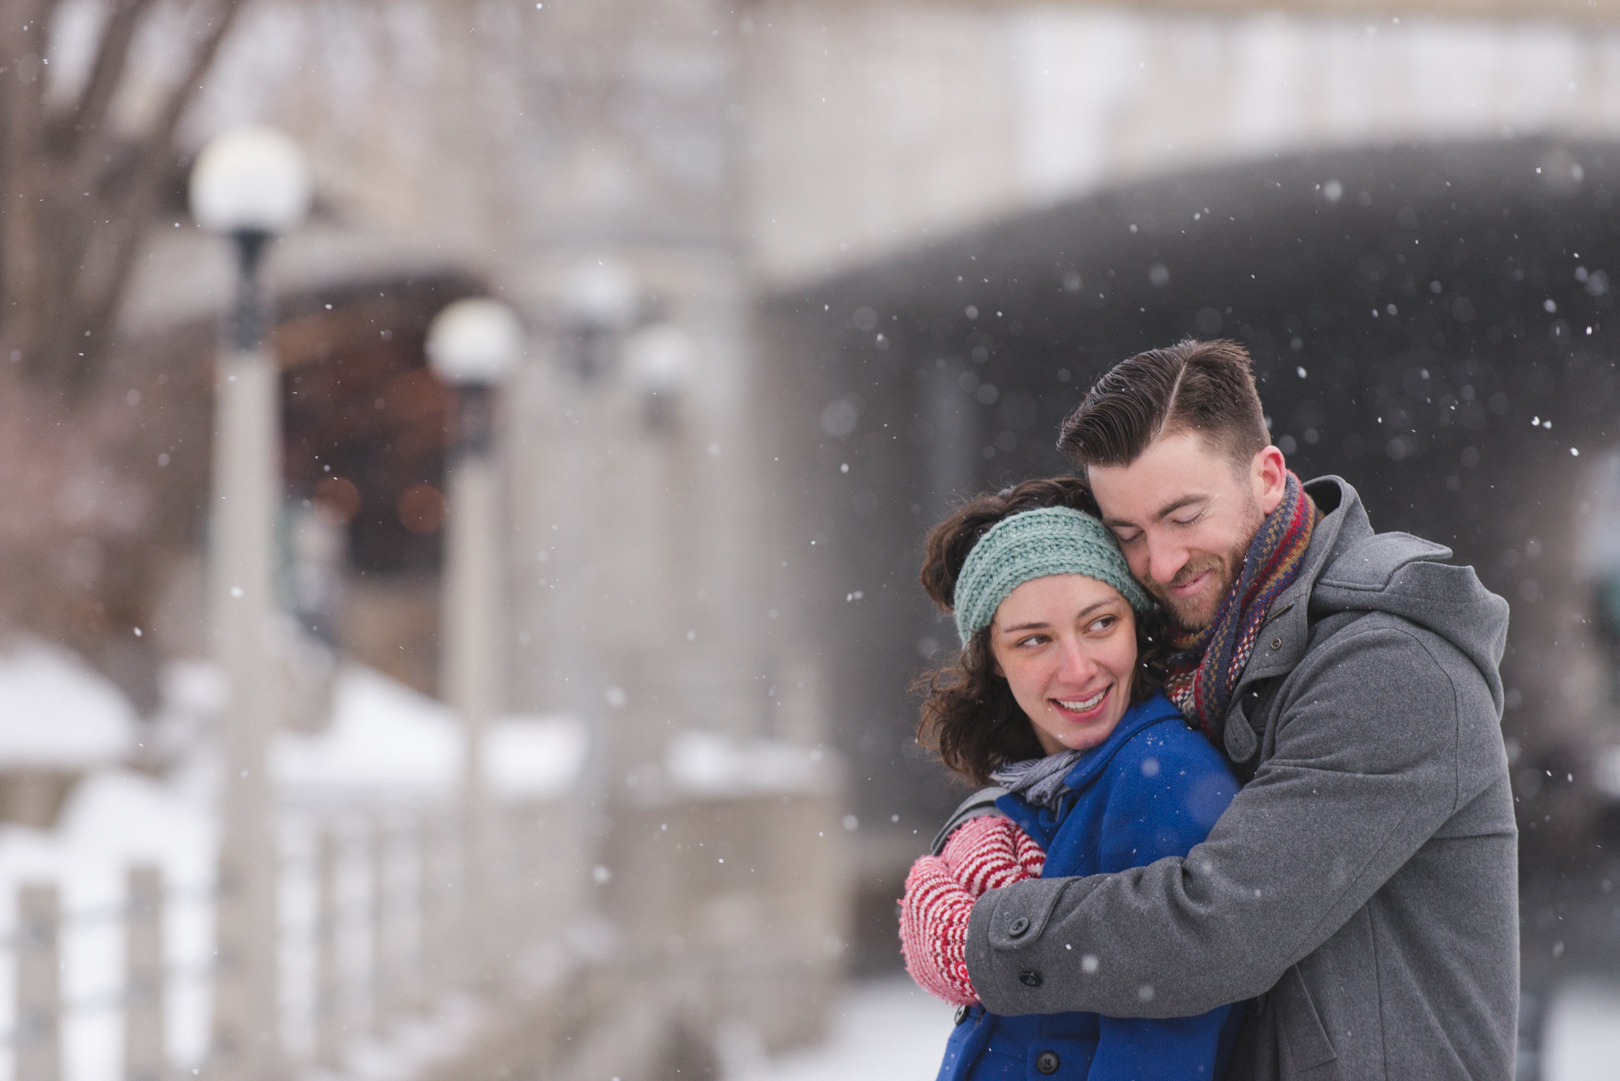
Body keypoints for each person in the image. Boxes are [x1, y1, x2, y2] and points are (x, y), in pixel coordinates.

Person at [947, 340, 1516, 1080]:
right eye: (1129, 534)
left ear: (1269, 476)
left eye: (1183, 515)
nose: (1160, 561)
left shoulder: (1387, 666)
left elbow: (1222, 925)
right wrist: (986, 832)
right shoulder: (1210, 659)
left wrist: (983, 934)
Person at [898, 476, 1244, 1080]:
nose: (1079, 669)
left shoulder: (1159, 775)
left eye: (1100, 624)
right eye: (1034, 640)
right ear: (995, 662)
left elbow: (1163, 1043)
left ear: (1137, 623)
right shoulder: (1037, 783)